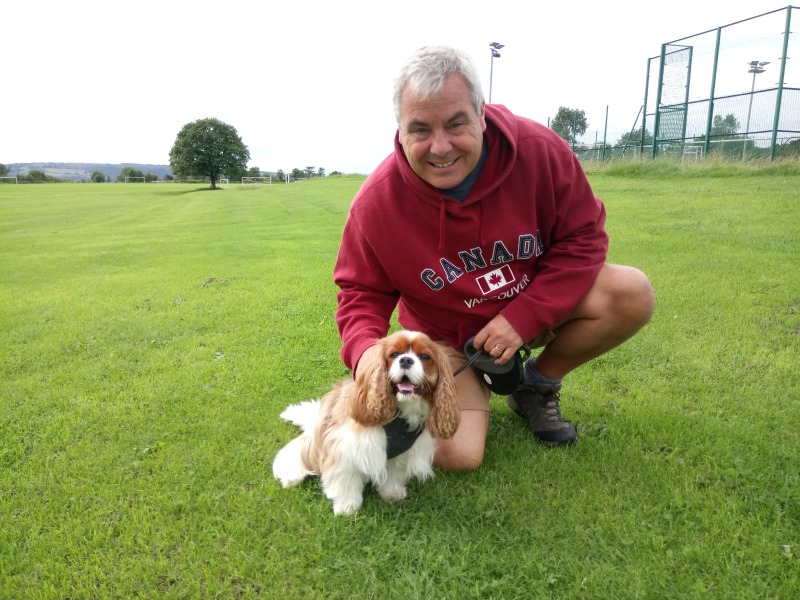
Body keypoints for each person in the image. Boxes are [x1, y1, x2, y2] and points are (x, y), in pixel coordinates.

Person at [333, 45, 655, 471]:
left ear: (481, 114)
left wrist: (523, 317)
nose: (440, 147)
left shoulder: (540, 151)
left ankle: (536, 385)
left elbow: (583, 238)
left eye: (456, 123)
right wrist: (366, 359)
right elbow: (360, 293)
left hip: (536, 311)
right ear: (400, 130)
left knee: (631, 293)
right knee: (458, 455)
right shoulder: (377, 203)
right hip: (451, 343)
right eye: (420, 129)